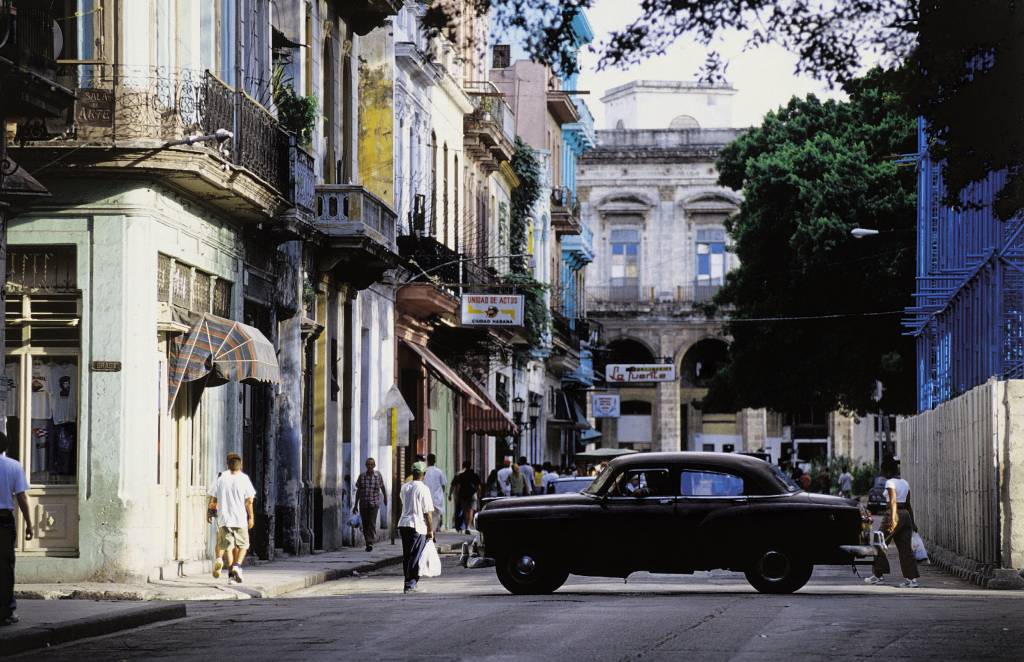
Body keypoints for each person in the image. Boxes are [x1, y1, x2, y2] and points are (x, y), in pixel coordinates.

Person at [864, 461, 920, 588]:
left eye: (883, 471)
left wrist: (893, 519)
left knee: (879, 542)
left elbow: (893, 499)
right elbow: (908, 504)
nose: (882, 473)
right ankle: (912, 579)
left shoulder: (890, 483)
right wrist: (913, 521)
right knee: (905, 549)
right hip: (906, 515)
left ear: (888, 471)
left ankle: (878, 576)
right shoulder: (905, 483)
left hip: (893, 514)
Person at [207, 452, 256, 584]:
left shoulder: (221, 478)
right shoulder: (244, 479)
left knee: (227, 547)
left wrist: (210, 512)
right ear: (241, 465)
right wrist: (251, 517)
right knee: (244, 545)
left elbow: (213, 499)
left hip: (224, 519)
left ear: (227, 465)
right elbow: (249, 501)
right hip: (240, 519)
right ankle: (237, 566)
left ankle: (227, 572)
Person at [1, 433, 32, 626]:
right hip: (3, 522)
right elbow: (22, 497)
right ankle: (6, 611)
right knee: (5, 567)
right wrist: (30, 523)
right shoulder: (13, 466)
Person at [398, 461, 434, 593]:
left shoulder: (404, 487)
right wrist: (430, 530)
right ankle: (410, 583)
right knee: (415, 556)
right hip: (417, 526)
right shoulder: (424, 489)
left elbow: (404, 502)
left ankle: (407, 582)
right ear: (424, 474)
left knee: (407, 555)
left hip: (403, 524)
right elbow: (428, 513)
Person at [354, 457, 388, 552]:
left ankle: (370, 542)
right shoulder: (362, 476)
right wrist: (355, 505)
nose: (370, 466)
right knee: (365, 524)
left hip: (374, 504)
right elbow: (358, 491)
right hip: (363, 504)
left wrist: (385, 498)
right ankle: (367, 541)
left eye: (371, 464)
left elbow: (382, 487)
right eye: (368, 464)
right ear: (366, 465)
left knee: (371, 523)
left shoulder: (378, 476)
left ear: (374, 465)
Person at [449, 461, 482, 533]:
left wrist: (450, 494)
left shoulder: (461, 475)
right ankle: (468, 527)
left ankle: (467, 525)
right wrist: (479, 494)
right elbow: (478, 486)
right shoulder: (474, 475)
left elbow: (454, 485)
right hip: (472, 495)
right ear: (470, 466)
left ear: (463, 466)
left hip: (463, 495)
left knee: (465, 511)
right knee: (470, 511)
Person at [423, 454, 447, 530]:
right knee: (435, 519)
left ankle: (428, 533)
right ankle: (431, 533)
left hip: (426, 499)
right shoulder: (439, 472)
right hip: (436, 500)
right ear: (435, 461)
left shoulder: (424, 472)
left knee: (426, 517)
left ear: (427, 461)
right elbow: (443, 486)